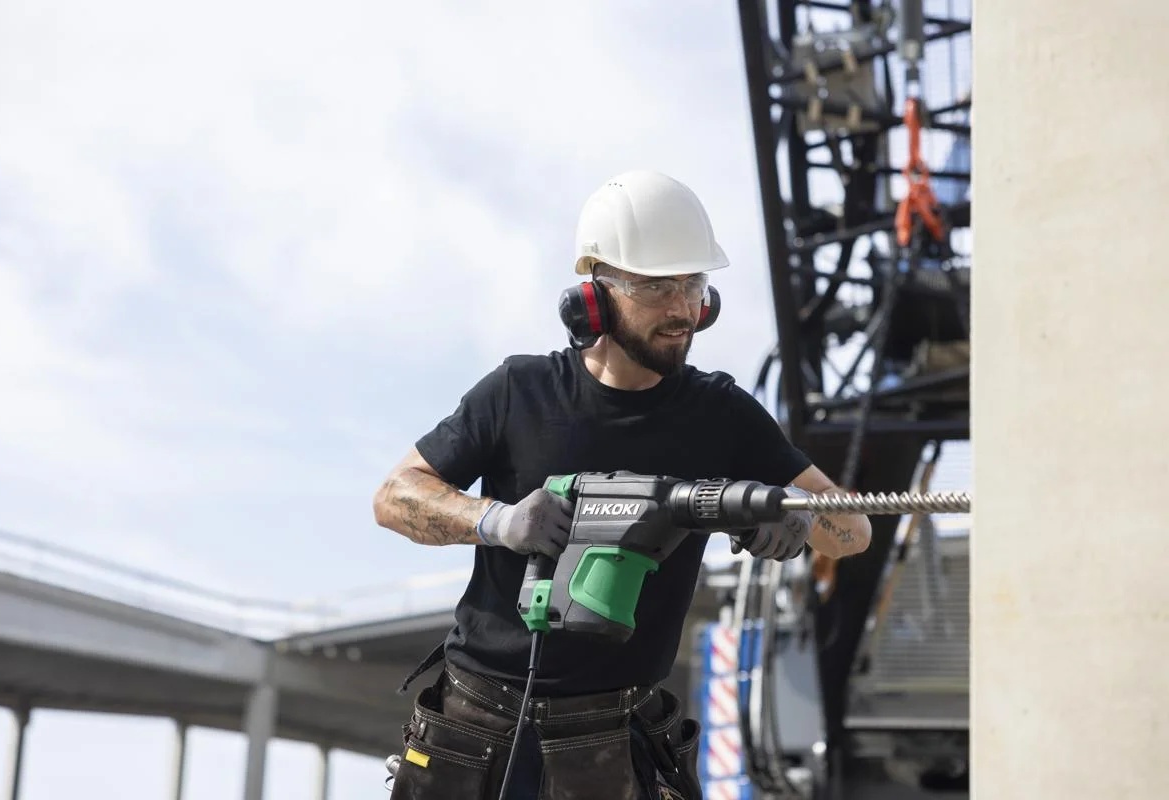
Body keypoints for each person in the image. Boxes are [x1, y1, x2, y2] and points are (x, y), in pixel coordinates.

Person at [374, 169, 872, 800]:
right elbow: (394, 496)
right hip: (476, 732)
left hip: (616, 743)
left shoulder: (721, 414)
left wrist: (792, 515)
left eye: (693, 285)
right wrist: (497, 521)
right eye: (657, 286)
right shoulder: (518, 393)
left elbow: (853, 531)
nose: (683, 310)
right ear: (594, 297)